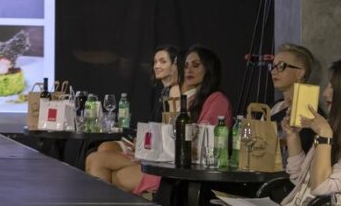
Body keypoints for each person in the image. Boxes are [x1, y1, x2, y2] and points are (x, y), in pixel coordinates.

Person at [103, 46, 233, 195]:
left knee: (108, 175)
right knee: (96, 160)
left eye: (195, 65)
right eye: (186, 66)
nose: (188, 70)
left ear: (209, 69)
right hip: (166, 161)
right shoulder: (190, 99)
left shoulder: (217, 100)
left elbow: (201, 142)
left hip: (181, 171)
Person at [85, 45, 181, 182]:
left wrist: (143, 147)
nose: (157, 66)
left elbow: (170, 131)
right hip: (149, 145)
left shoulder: (175, 91)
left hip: (158, 153)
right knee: (104, 146)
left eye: (163, 62)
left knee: (94, 160)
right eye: (155, 62)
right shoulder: (164, 91)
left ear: (175, 65)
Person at [280, 55, 341, 206]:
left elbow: (320, 189)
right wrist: (292, 136)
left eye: (333, 87)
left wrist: (324, 135)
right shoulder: (333, 128)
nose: (325, 93)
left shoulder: (328, 132)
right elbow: (301, 178)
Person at [269, 44, 317, 156]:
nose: (273, 72)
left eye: (281, 66)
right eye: (273, 66)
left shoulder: (310, 112)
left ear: (300, 73)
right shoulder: (274, 106)